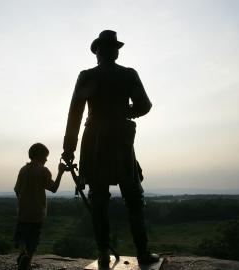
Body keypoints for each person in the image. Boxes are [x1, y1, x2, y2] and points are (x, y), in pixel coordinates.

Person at [61, 30, 159, 267]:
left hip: (94, 139)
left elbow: (75, 113)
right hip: (119, 140)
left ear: (98, 53)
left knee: (99, 199)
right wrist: (123, 113)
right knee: (133, 197)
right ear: (114, 51)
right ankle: (142, 252)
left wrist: (69, 149)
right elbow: (144, 105)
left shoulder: (86, 76)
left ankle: (104, 253)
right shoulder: (128, 74)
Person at [14, 143, 66, 270]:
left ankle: (22, 254)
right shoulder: (43, 170)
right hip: (38, 212)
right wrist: (60, 172)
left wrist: (24, 200)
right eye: (45, 156)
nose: (46, 159)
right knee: (33, 239)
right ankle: (28, 262)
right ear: (39, 155)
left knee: (21, 236)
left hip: (23, 211)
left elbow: (16, 189)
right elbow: (53, 188)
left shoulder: (23, 170)